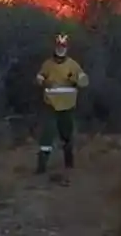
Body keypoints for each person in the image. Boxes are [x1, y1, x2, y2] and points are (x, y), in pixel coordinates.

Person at [35, 33, 89, 176]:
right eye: (59, 45)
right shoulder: (47, 64)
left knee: (67, 136)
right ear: (55, 47)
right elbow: (39, 78)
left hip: (67, 106)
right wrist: (44, 82)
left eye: (63, 46)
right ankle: (41, 167)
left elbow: (84, 81)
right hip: (51, 106)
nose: (61, 48)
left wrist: (75, 79)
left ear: (67, 47)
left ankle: (69, 164)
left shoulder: (73, 65)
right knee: (47, 136)